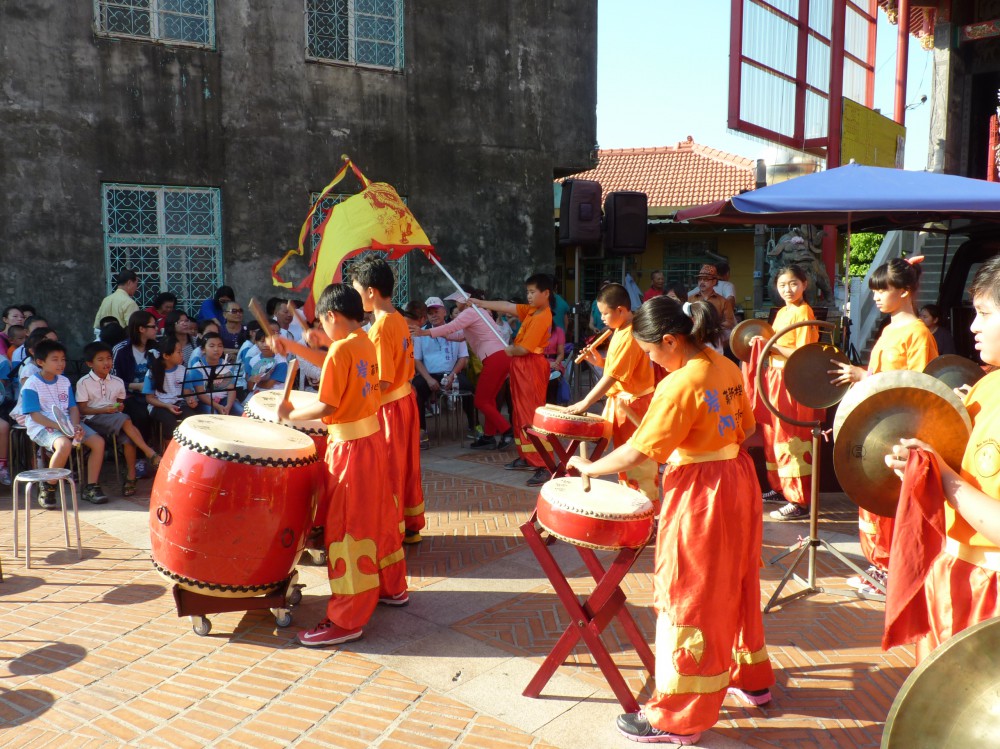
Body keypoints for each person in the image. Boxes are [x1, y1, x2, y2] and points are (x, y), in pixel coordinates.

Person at [567, 296, 773, 744]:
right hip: (738, 481)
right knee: (737, 578)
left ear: (670, 340)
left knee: (689, 591)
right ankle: (750, 677)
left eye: (650, 352)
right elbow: (748, 428)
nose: (651, 361)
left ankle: (678, 715)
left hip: (701, 492)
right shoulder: (725, 365)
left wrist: (588, 468)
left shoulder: (680, 383)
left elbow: (638, 451)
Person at [273, 283, 409, 647]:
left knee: (347, 528)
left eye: (322, 322)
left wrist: (290, 414)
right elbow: (334, 361)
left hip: (350, 450)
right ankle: (392, 586)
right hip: (373, 443)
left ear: (331, 316)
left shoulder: (341, 349)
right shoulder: (363, 339)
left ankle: (347, 618)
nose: (320, 328)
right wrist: (297, 347)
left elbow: (327, 405)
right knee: (379, 517)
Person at [884, 256, 1000, 662]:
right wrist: (918, 465)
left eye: (985, 313)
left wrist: (943, 476)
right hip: (956, 578)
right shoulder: (986, 386)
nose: (972, 326)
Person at [829, 257, 938, 594]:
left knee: (890, 502)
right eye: (875, 290)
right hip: (878, 424)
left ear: (904, 291)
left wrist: (865, 377)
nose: (875, 296)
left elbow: (918, 387)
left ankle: (892, 569)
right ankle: (878, 565)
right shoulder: (890, 329)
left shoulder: (918, 333)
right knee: (872, 501)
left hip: (898, 430)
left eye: (881, 290)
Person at [351, 256, 425, 543]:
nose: (356, 296)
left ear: (370, 291)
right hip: (405, 399)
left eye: (357, 290)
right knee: (406, 466)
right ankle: (409, 525)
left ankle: (391, 531)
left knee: (390, 469)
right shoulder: (398, 319)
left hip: (389, 406)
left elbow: (381, 380)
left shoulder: (381, 327)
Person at [564, 283, 658, 501]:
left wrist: (585, 402)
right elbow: (621, 368)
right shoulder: (621, 330)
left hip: (634, 405)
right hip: (627, 401)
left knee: (636, 462)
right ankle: (634, 504)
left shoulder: (629, 334)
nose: (602, 318)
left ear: (621, 310)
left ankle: (644, 510)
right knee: (625, 460)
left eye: (605, 313)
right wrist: (600, 361)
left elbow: (614, 376)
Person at [751, 265, 821, 521]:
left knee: (791, 437)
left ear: (804, 284)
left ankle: (799, 500)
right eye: (782, 285)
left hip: (791, 379)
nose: (788, 289)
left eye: (793, 284)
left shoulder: (804, 311)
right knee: (773, 434)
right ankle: (781, 487)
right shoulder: (782, 312)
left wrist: (769, 346)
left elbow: (803, 353)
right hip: (775, 376)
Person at [473, 273, 554, 487]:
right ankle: (527, 456)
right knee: (518, 412)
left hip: (531, 365)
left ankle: (544, 465)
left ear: (546, 293)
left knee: (530, 414)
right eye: (527, 292)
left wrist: (509, 350)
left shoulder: (542, 316)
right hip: (521, 365)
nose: (529, 296)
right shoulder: (532, 310)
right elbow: (508, 307)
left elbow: (524, 349)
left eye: (532, 292)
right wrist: (481, 303)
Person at [413, 287, 513, 450]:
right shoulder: (478, 312)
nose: (455, 303)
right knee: (488, 400)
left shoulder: (470, 312)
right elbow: (459, 335)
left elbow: (451, 328)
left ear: (464, 298)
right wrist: (438, 334)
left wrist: (424, 333)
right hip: (500, 357)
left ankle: (507, 430)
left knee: (481, 400)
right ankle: (488, 436)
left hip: (495, 358)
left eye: (456, 299)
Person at [20, 339, 108, 506]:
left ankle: (91, 487)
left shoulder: (64, 381)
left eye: (63, 359)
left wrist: (74, 425)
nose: (61, 364)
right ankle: (49, 487)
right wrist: (62, 428)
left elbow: (73, 407)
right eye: (55, 359)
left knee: (98, 442)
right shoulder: (31, 384)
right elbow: (35, 416)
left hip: (67, 423)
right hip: (43, 426)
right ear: (40, 362)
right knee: (64, 445)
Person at [77, 341, 162, 497]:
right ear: (90, 363)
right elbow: (82, 410)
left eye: (109, 358)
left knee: (128, 437)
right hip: (92, 419)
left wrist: (118, 407)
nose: (106, 363)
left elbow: (120, 404)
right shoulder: (83, 382)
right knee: (125, 420)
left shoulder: (118, 381)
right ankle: (150, 453)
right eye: (100, 359)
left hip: (114, 419)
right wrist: (104, 410)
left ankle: (131, 477)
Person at [411, 296, 475, 444]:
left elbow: (463, 358)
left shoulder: (456, 329)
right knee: (415, 390)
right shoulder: (421, 334)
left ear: (444, 312)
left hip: (453, 373)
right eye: (430, 313)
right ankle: (422, 430)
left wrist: (452, 375)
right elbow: (416, 360)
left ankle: (474, 425)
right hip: (430, 375)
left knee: (469, 388)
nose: (434, 315)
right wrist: (428, 379)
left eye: (437, 311)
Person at [112, 310, 159, 440]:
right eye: (153, 326)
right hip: (129, 395)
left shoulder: (156, 347)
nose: (157, 329)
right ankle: (142, 451)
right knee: (141, 415)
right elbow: (112, 380)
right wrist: (136, 386)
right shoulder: (121, 350)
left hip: (154, 394)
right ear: (141, 329)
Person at [144, 335, 199, 440]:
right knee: (170, 423)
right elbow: (149, 398)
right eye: (179, 352)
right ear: (166, 356)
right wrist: (167, 406)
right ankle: (170, 448)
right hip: (159, 406)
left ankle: (188, 447)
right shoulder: (152, 372)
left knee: (192, 420)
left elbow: (187, 393)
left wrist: (190, 400)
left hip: (179, 403)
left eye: (181, 351)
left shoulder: (183, 370)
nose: (182, 354)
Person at [186, 331, 238, 416]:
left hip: (224, 400)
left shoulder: (227, 366)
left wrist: (228, 406)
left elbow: (231, 390)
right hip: (205, 402)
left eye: (220, 346)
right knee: (214, 415)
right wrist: (218, 407)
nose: (216, 349)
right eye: (211, 346)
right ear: (203, 350)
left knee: (241, 412)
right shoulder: (197, 368)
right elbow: (201, 394)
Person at [688, 264, 737, 343]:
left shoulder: (723, 302)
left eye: (706, 279)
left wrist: (714, 327)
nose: (702, 282)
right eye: (700, 279)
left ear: (714, 281)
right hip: (694, 340)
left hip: (715, 340)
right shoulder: (690, 299)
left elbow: (729, 322)